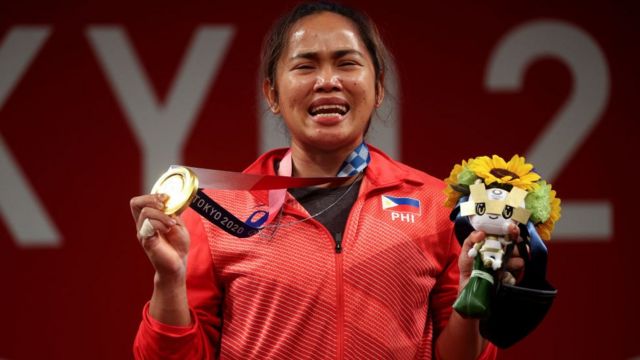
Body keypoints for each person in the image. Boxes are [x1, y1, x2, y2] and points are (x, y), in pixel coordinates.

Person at [130, 2, 524, 359]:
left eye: (346, 63)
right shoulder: (218, 211)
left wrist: (477, 294)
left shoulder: (437, 206)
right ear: (272, 93)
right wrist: (169, 278)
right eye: (305, 66)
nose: (327, 80)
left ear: (379, 86)